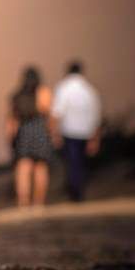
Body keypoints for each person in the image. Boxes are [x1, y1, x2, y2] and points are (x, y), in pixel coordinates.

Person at [51, 60, 102, 201]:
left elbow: (57, 113)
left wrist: (54, 134)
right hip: (87, 131)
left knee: (72, 163)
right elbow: (96, 116)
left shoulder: (63, 88)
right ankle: (79, 192)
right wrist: (95, 139)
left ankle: (75, 193)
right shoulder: (90, 90)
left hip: (69, 132)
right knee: (81, 162)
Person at [6, 66, 53, 207]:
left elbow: (11, 119)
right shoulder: (43, 92)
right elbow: (48, 112)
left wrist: (10, 138)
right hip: (40, 130)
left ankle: (23, 201)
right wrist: (53, 133)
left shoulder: (16, 95)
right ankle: (38, 202)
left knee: (23, 168)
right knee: (40, 167)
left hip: (23, 131)